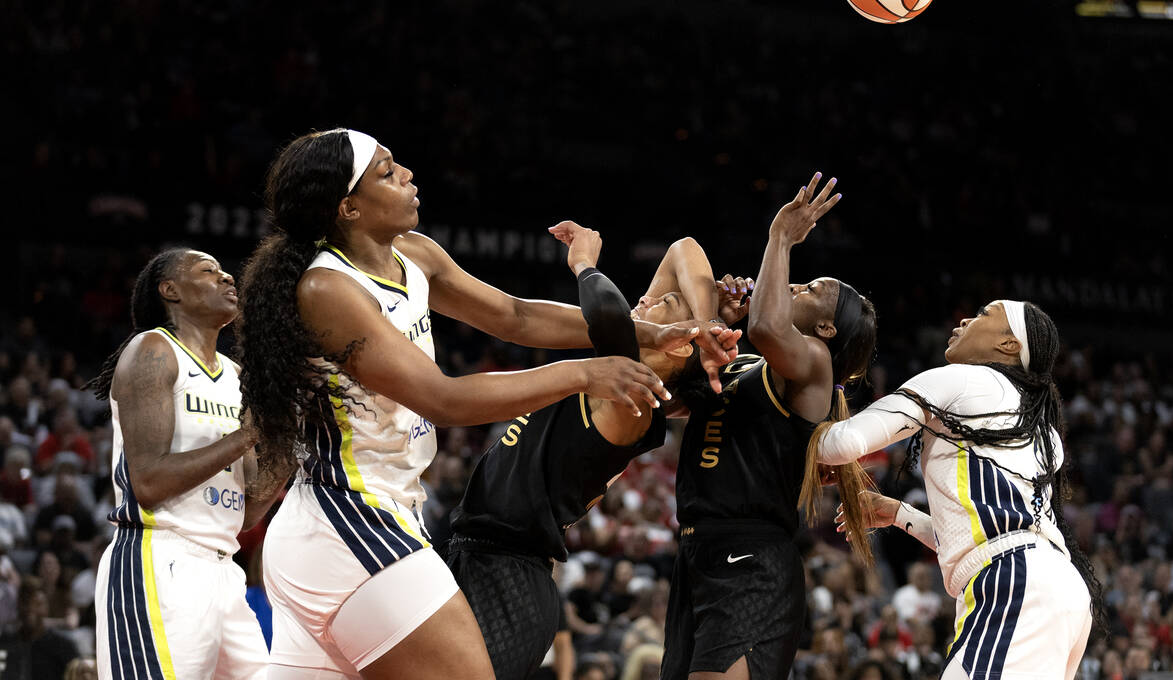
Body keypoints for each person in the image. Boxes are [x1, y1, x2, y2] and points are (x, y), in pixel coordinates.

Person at [236, 130, 703, 680]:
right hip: (346, 519)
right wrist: (583, 371)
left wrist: (651, 332)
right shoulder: (328, 289)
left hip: (368, 518)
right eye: (386, 172)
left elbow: (514, 316)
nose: (407, 174)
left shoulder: (414, 254)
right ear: (348, 207)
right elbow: (442, 397)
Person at [445, 220, 738, 680]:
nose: (645, 299)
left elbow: (607, 314)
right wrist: (707, 323)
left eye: (664, 302)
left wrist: (583, 262)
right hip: (472, 556)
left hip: (512, 576)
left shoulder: (635, 399)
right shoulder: (621, 368)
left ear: (679, 349)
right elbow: (683, 247)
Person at [661, 175, 878, 680]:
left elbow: (767, 327)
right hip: (697, 549)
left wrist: (780, 237)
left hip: (752, 557)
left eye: (812, 289)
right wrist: (712, 324)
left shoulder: (818, 366)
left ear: (826, 328)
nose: (798, 285)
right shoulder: (749, 365)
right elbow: (666, 402)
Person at [817, 299, 1103, 680]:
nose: (966, 318)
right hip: (1056, 590)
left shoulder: (962, 380)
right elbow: (990, 536)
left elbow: (842, 443)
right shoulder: (1039, 426)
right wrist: (901, 515)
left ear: (1009, 345)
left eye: (986, 315)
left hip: (1016, 584)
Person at [89, 248, 278, 680]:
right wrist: (248, 434)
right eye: (209, 271)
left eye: (226, 272)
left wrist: (289, 443)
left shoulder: (235, 376)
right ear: (170, 290)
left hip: (224, 570)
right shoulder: (152, 350)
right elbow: (150, 482)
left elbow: (246, 510)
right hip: (160, 559)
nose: (227, 278)